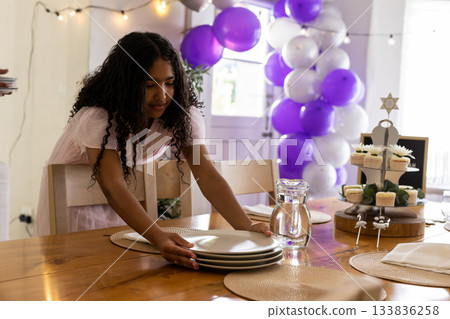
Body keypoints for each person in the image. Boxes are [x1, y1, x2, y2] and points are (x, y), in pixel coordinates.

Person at [35, 32, 271, 269]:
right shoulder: (99, 119)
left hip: (124, 201)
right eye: (150, 85)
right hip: (77, 205)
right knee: (88, 273)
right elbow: (112, 186)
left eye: (169, 82)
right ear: (126, 85)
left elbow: (207, 174)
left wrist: (247, 227)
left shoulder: (181, 117)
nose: (162, 95)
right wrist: (157, 235)